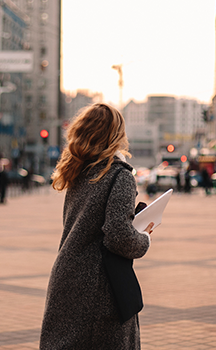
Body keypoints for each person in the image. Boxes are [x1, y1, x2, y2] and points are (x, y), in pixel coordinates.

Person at [40, 103, 154, 349]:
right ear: (116, 135)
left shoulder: (78, 170)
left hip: (67, 277)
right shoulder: (119, 174)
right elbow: (118, 236)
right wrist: (144, 236)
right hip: (100, 287)